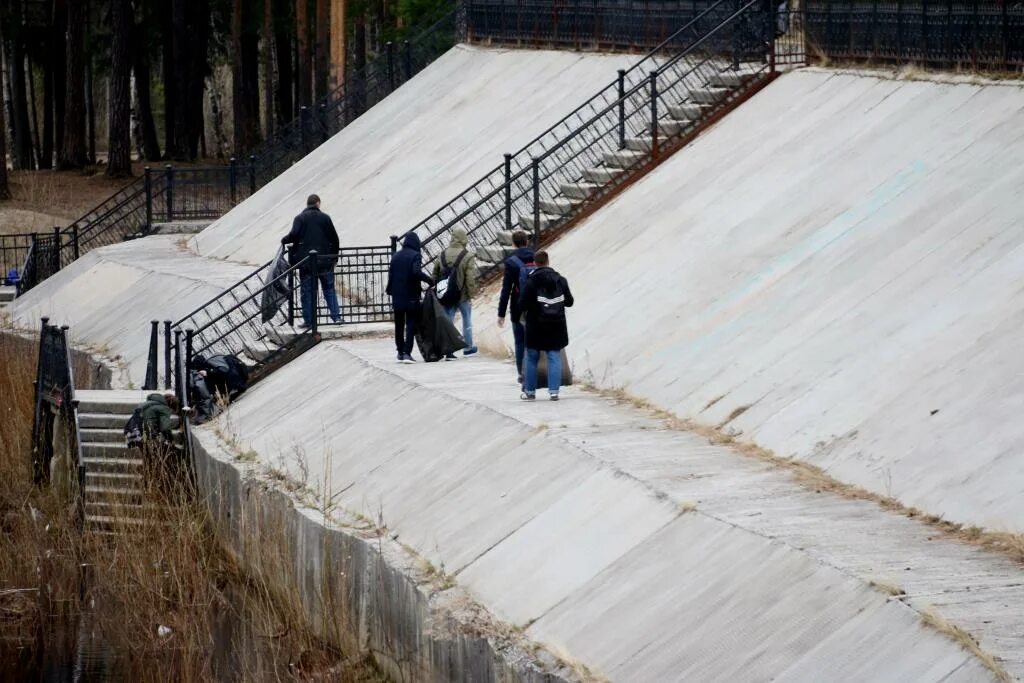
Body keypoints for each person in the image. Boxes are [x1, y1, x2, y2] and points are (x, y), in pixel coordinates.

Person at [519, 250, 573, 401]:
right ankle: (554, 392)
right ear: (548, 261)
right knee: (554, 355)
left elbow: (522, 304)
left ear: (535, 263)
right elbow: (570, 302)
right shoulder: (560, 280)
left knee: (532, 357)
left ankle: (530, 391)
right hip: (556, 324)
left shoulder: (531, 282)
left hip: (535, 324)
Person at [280, 194, 341, 328]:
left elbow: (293, 235)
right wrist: (334, 258)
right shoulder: (326, 218)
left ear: (307, 204)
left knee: (307, 292)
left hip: (306, 263)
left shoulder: (300, 218)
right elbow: (335, 239)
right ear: (318, 203)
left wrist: (284, 240)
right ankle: (336, 317)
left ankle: (309, 321)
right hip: (324, 261)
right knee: (329, 289)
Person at [386, 232, 434, 363]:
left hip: (397, 297)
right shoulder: (415, 255)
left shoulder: (395, 257)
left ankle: (400, 352)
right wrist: (430, 281)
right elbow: (416, 272)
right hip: (411, 296)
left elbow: (391, 276)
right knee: (411, 323)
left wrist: (390, 290)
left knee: (399, 324)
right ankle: (407, 352)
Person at [432, 226, 479, 359]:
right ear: (464, 239)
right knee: (467, 319)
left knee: (448, 320)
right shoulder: (468, 255)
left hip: (447, 294)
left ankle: (448, 349)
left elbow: (434, 275)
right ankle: (468, 347)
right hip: (463, 295)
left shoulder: (441, 255)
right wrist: (471, 294)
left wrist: (439, 291)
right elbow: (470, 278)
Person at [496, 230, 535, 383]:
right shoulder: (536, 256)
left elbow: (506, 290)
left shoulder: (511, 262)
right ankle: (537, 370)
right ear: (527, 241)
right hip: (536, 305)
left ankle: (522, 374)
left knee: (520, 341)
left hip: (518, 306)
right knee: (535, 340)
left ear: (513, 243)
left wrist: (501, 313)